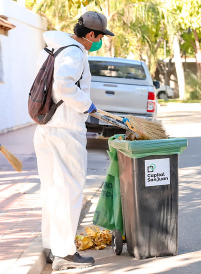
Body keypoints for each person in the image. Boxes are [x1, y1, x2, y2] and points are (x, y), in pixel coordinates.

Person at [33, 11, 114, 271]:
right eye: (100, 36)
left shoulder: (53, 47)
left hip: (46, 126)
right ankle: (65, 254)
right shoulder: (76, 52)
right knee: (69, 190)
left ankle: (51, 246)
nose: (100, 40)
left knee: (52, 190)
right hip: (65, 129)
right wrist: (87, 105)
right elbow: (64, 85)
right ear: (91, 34)